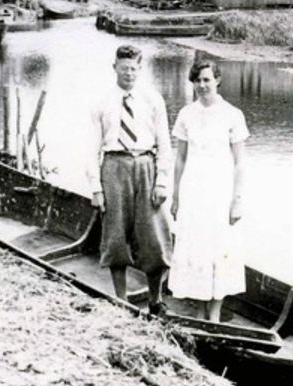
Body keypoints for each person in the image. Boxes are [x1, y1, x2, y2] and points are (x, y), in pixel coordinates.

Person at [88, 44, 172, 316]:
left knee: (153, 235)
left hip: (146, 165)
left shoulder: (153, 99)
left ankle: (155, 301)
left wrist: (162, 181)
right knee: (116, 235)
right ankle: (121, 301)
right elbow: (91, 148)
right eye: (124, 68)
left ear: (140, 69)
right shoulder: (101, 102)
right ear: (115, 67)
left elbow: (164, 144)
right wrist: (96, 188)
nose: (128, 73)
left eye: (133, 69)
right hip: (114, 167)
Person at [169, 60, 249, 322]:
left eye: (207, 80)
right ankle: (199, 310)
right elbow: (180, 159)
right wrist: (176, 196)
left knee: (218, 248)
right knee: (195, 247)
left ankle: (214, 315)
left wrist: (237, 201)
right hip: (193, 191)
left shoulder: (232, 115)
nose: (202, 85)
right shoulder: (186, 114)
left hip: (219, 193)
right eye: (197, 81)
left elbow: (240, 163)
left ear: (217, 80)